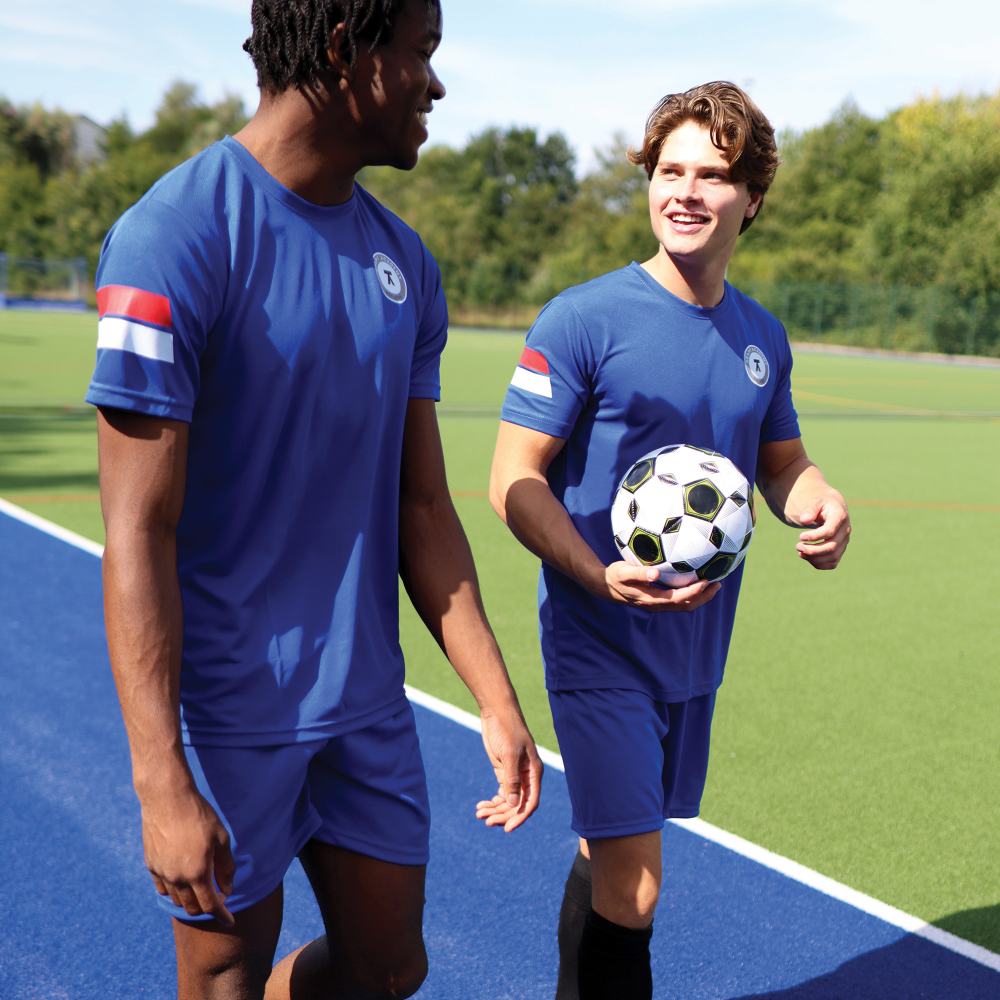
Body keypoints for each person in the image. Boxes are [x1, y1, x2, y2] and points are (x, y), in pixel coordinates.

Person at [87, 2, 542, 997]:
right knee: (220, 977)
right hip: (227, 711)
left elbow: (422, 507)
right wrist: (161, 778)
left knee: (388, 969)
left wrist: (497, 700)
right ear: (346, 51)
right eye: (419, 54)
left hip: (364, 702)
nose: (435, 84)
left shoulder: (406, 264)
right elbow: (136, 528)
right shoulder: (174, 236)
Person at [488, 81, 851, 1000]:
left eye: (714, 175)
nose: (685, 191)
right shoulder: (583, 320)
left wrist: (817, 500)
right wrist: (594, 574)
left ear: (752, 198)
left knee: (611, 850)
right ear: (648, 181)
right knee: (637, 885)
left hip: (697, 649)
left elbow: (782, 465)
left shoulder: (761, 335)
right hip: (598, 636)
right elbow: (512, 480)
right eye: (670, 170)